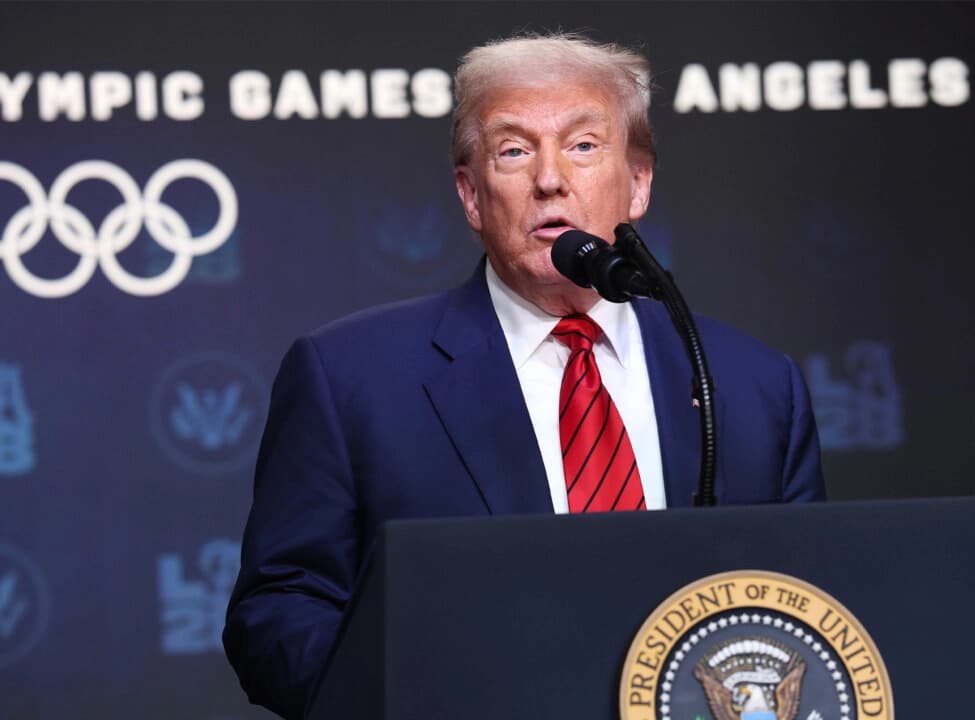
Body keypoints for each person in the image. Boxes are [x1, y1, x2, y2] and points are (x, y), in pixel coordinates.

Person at [223, 33, 824, 720]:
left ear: (638, 182)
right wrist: (413, 696)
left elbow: (805, 607)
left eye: (584, 145)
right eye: (513, 150)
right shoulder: (349, 377)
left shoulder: (753, 387)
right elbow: (278, 613)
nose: (549, 179)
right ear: (472, 195)